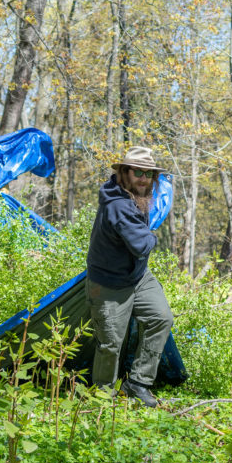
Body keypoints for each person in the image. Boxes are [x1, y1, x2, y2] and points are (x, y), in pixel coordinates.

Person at [85, 146, 174, 408]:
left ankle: (138, 383)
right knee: (111, 343)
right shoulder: (118, 207)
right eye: (138, 172)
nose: (144, 178)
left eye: (149, 173)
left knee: (161, 317)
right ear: (124, 173)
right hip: (109, 283)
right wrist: (152, 234)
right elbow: (141, 245)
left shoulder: (138, 194)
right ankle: (102, 396)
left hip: (137, 275)